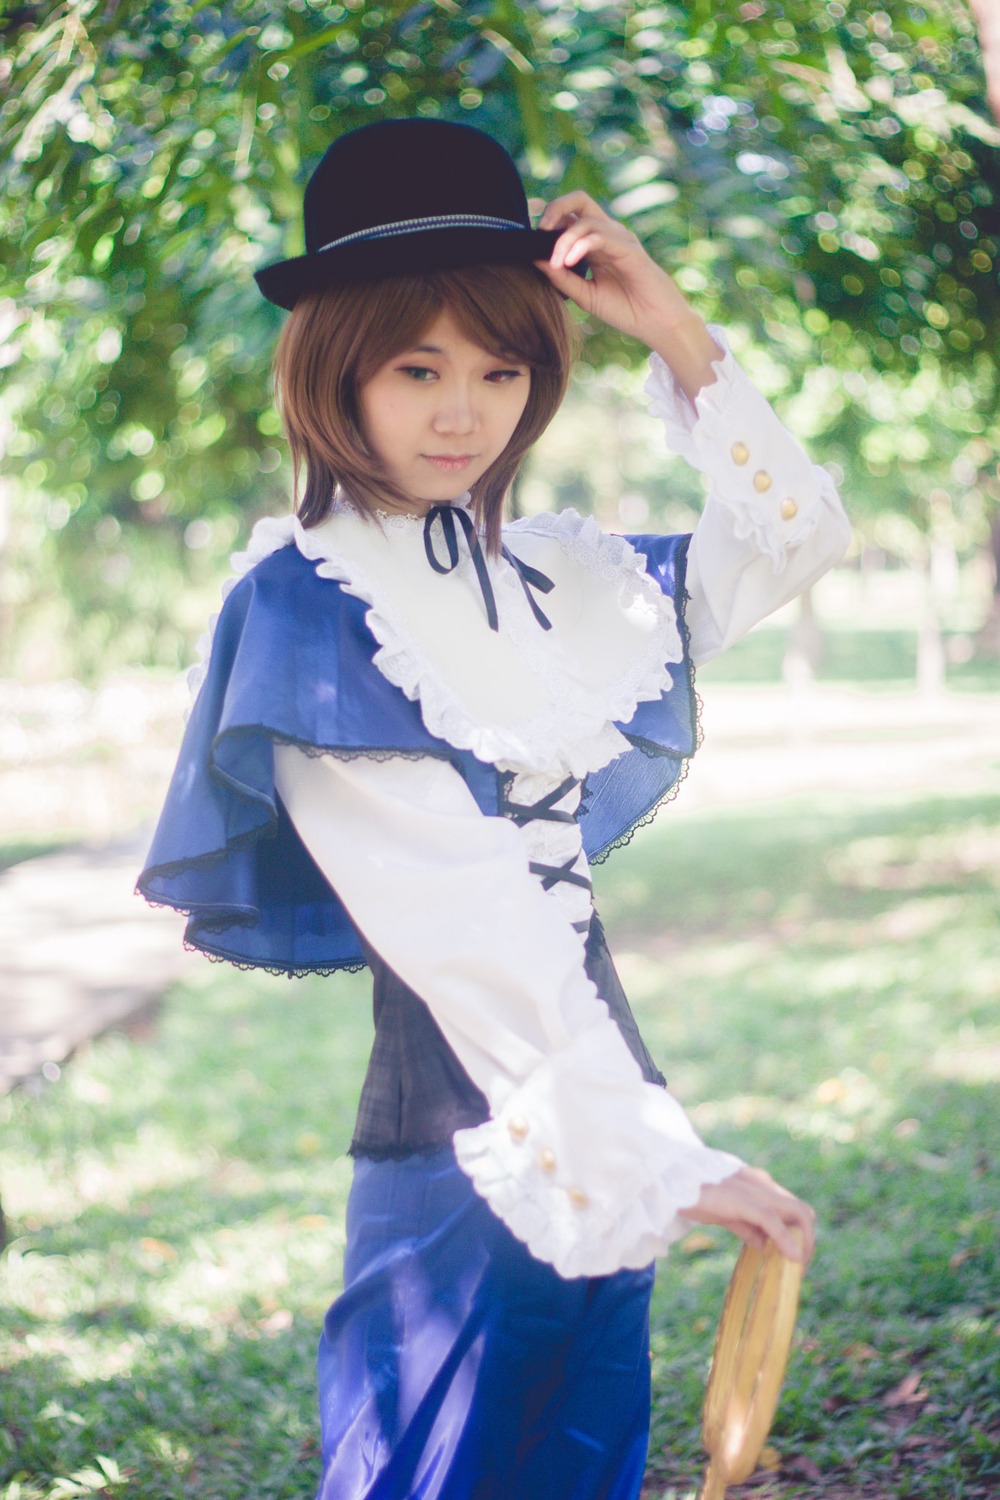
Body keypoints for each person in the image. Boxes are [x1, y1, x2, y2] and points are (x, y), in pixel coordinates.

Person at [139, 118, 847, 1499]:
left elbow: (794, 532)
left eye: (500, 368)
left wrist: (673, 330)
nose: (464, 411)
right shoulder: (306, 605)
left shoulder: (556, 583)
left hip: (606, 1122)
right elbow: (460, 914)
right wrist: (673, 1161)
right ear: (335, 367)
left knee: (586, 1472)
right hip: (460, 1161)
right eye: (418, 369)